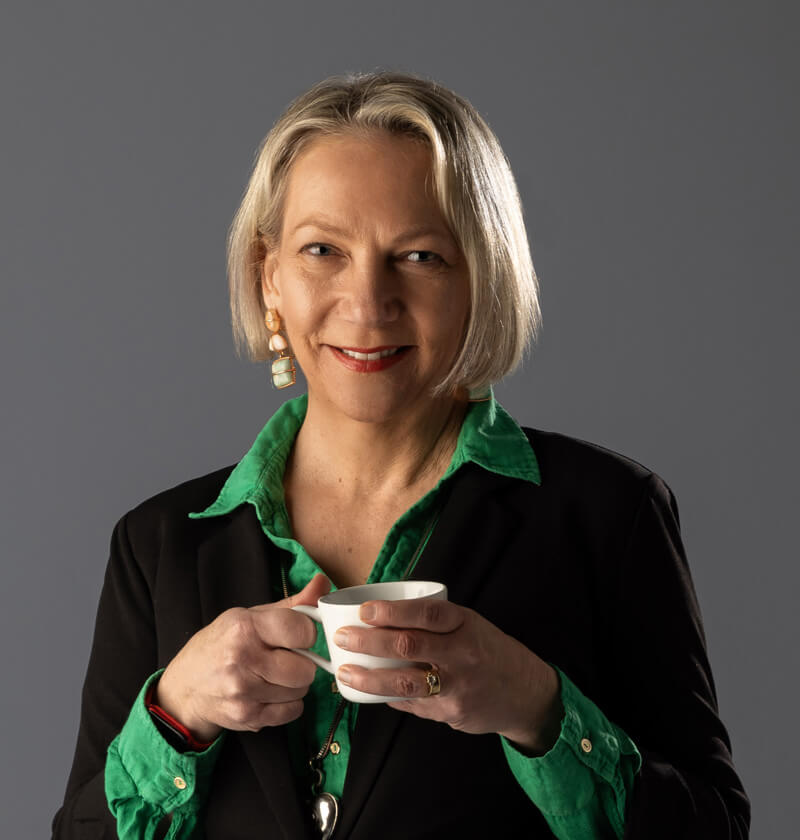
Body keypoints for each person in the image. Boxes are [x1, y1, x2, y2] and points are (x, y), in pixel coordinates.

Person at [53, 71, 749, 839]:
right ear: (268, 277)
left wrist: (536, 706)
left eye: (418, 257)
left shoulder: (610, 516)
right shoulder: (158, 545)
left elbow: (710, 828)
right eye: (322, 249)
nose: (367, 302)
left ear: (481, 279)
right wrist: (174, 715)